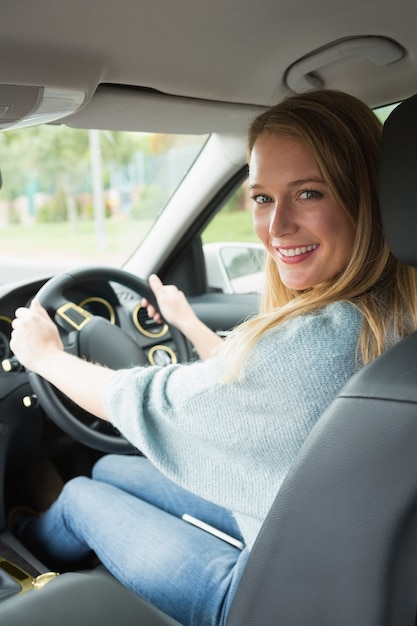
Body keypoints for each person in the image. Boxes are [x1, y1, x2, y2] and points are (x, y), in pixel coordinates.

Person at [9, 89, 417, 626]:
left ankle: (19, 548)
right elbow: (253, 381)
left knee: (83, 493)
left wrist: (46, 358)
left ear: (368, 196)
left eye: (309, 193)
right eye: (264, 198)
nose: (276, 227)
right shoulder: (388, 313)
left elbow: (140, 399)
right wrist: (189, 324)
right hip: (343, 560)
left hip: (268, 599)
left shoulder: (317, 341)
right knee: (110, 465)